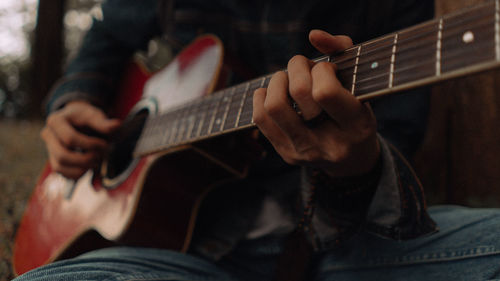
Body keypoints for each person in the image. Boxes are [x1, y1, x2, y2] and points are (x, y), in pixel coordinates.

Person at [15, 0, 500, 280]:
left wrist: (353, 166)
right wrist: (72, 101)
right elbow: (106, 35)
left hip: (345, 250)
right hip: (181, 252)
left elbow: (393, 145)